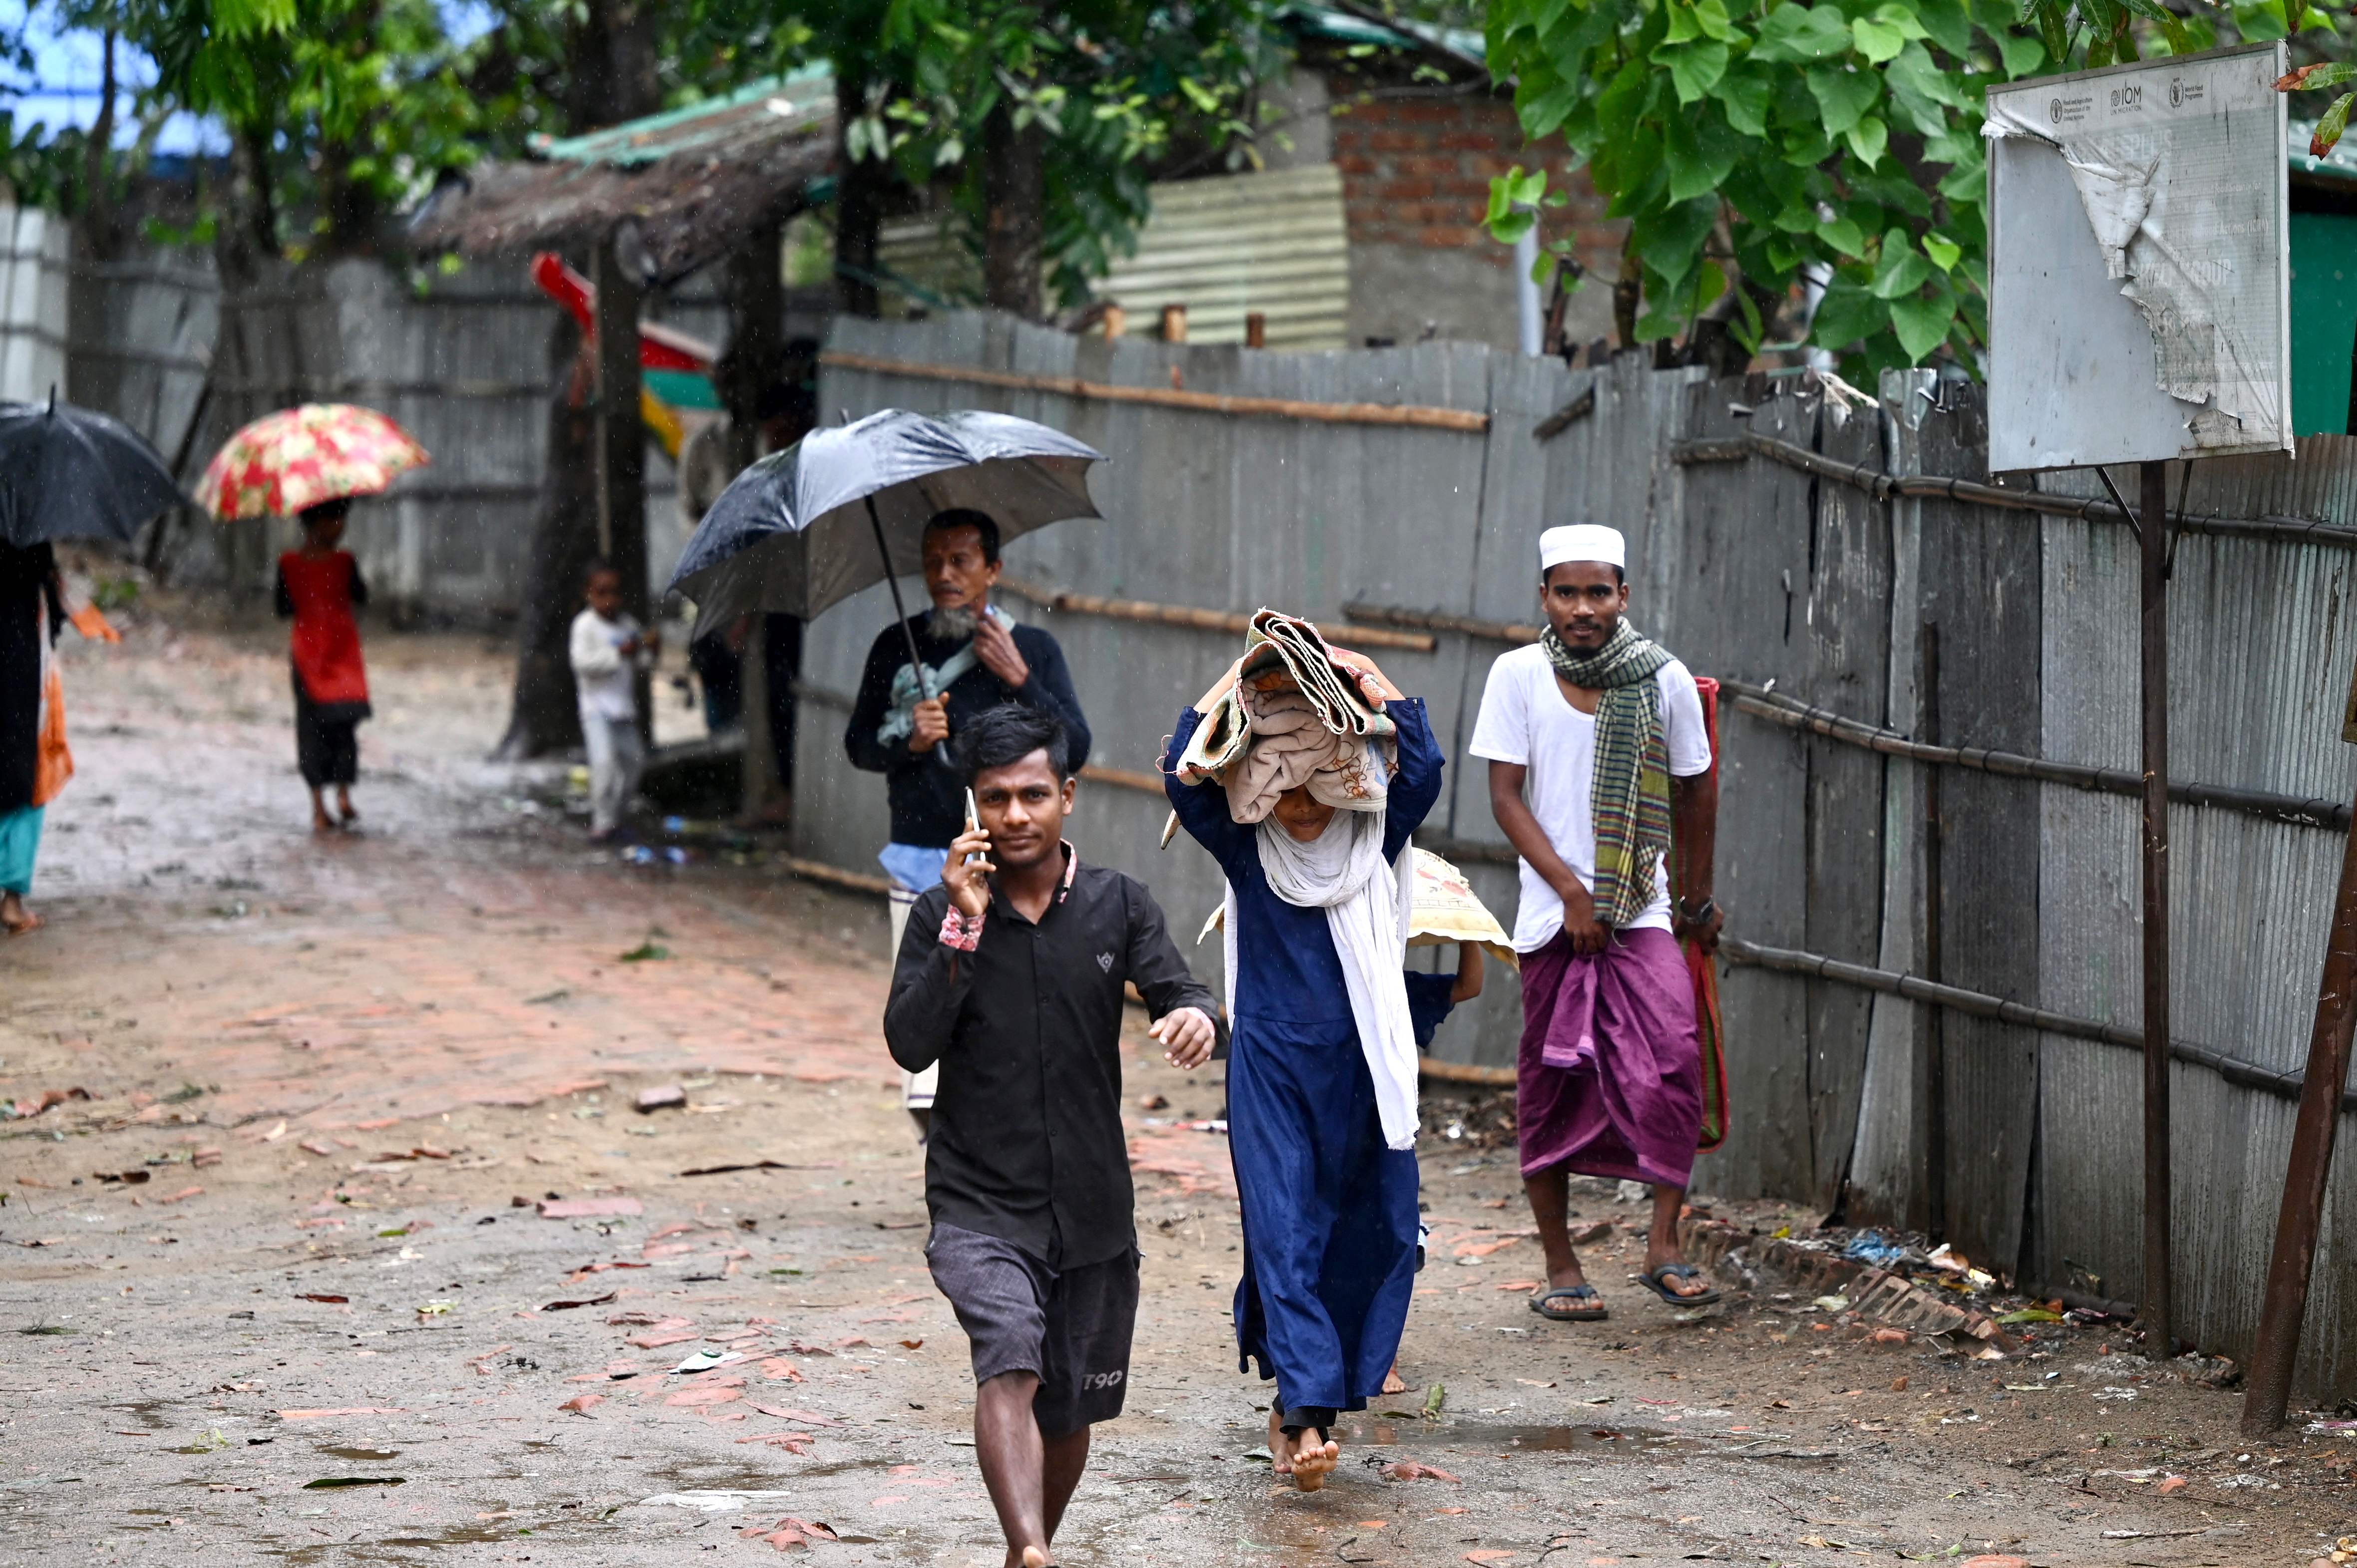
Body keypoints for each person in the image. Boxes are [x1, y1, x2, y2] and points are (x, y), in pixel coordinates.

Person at [884, 704, 1217, 1568]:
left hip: (1093, 1208)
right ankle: (1029, 1544)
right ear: (973, 808)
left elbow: (1185, 990)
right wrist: (963, 923)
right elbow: (908, 1042)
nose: (1016, 815)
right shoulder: (939, 915)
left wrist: (1193, 1019)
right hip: (978, 1202)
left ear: (1069, 795)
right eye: (995, 798)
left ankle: (1024, 1557)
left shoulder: (1118, 905)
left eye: (1034, 794)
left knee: (1070, 1411)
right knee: (1010, 1359)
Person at [1162, 644, 1442, 1490]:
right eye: (1273, 779)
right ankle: (1308, 1407)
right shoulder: (1249, 855)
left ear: (1345, 775)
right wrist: (1242, 678)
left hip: (1365, 1067)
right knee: (1284, 1230)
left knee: (1375, 1228)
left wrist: (1362, 676)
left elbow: (1421, 766)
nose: (1295, 801)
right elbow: (1183, 773)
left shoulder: (1376, 833)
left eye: (1313, 776)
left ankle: (1312, 1391)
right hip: (1272, 1068)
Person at [1467, 523, 1724, 1323]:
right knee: (1552, 1084)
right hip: (1553, 915)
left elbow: (1696, 788)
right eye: (1568, 592)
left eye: (1599, 592)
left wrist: (1693, 898)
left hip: (1642, 907)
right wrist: (1571, 896)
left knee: (1676, 1060)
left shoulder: (1663, 679)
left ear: (1624, 596)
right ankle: (1560, 1263)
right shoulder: (1518, 675)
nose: (1584, 608)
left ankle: (1663, 1245)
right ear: (1543, 597)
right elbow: (1505, 796)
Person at [847, 508, 1091, 1134]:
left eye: (960, 561)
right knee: (928, 988)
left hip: (1010, 860)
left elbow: (1077, 746)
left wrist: (1022, 680)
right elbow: (857, 746)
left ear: (993, 569)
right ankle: (938, 1141)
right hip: (921, 849)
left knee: (1006, 991)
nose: (944, 574)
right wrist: (911, 741)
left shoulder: (1031, 648)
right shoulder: (896, 648)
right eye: (933, 562)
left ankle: (1008, 1130)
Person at [275, 499, 372, 834]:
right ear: (314, 523)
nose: (340, 525)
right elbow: (361, 596)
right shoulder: (344, 562)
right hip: (336, 655)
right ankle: (336, 797)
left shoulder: (289, 564)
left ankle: (324, 804)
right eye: (334, 518)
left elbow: (283, 608)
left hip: (314, 654)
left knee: (316, 728)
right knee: (340, 726)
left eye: (341, 518)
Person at [0, 542, 71, 935]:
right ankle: (11, 900)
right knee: (27, 782)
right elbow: (54, 618)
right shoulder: (31, 539)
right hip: (22, 678)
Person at [570, 560, 658, 844]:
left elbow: (642, 664)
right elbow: (582, 664)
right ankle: (602, 822)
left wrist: (653, 650)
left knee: (634, 764)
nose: (610, 600)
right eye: (602, 592)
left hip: (624, 710)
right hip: (596, 710)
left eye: (615, 592)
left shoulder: (628, 624)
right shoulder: (585, 626)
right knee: (604, 765)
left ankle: (617, 819)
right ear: (589, 593)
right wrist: (618, 654)